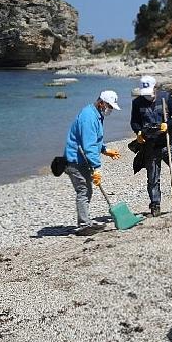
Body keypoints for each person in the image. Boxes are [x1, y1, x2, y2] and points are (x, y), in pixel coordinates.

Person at [131, 75, 172, 217]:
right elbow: (134, 122)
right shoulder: (137, 103)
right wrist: (138, 132)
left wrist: (168, 124)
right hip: (150, 145)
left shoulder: (165, 98)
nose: (147, 96)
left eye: (149, 92)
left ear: (155, 88)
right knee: (153, 179)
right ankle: (155, 206)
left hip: (168, 143)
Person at [64, 90, 122, 236]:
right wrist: (97, 167)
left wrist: (104, 149)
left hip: (83, 159)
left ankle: (85, 221)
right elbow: (88, 145)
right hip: (75, 160)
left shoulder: (96, 115)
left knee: (87, 190)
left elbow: (95, 139)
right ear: (101, 103)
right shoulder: (88, 117)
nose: (110, 110)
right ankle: (83, 225)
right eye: (109, 106)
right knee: (83, 190)